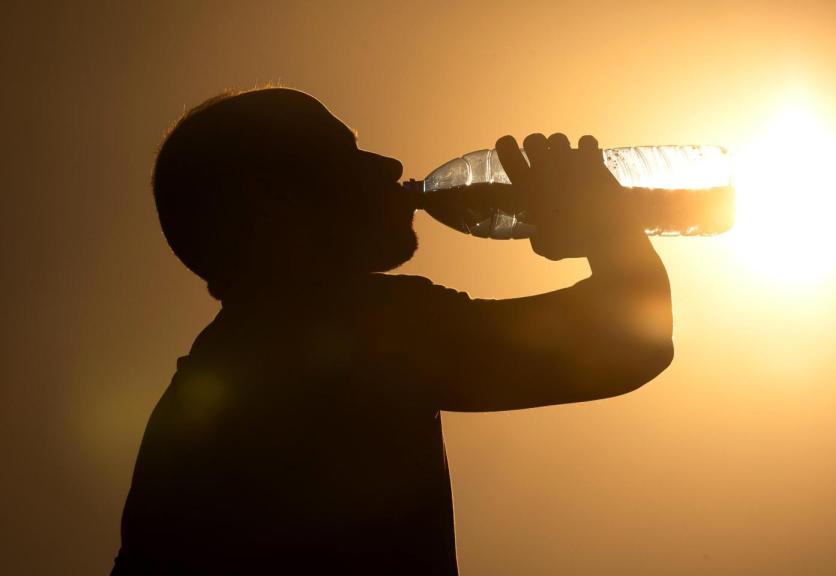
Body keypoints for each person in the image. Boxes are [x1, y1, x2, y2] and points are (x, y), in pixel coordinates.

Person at [112, 87, 673, 575]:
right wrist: (607, 225)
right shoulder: (349, 325)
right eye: (345, 154)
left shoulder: (199, 395)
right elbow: (627, 344)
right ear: (270, 203)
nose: (388, 164)